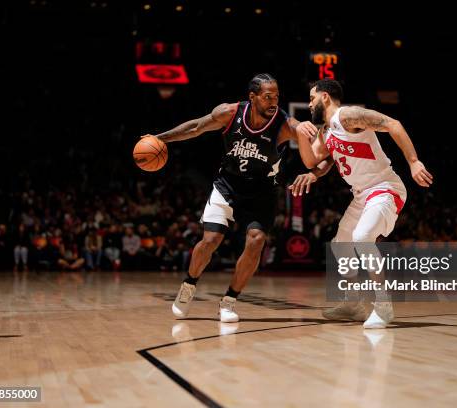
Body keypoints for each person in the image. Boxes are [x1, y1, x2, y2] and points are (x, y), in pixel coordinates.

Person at [142, 73, 299, 322]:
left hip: (262, 191)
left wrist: (317, 141)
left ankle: (229, 301)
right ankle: (189, 285)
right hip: (228, 185)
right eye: (268, 97)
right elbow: (195, 127)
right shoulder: (229, 113)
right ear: (253, 97)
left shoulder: (284, 123)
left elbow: (308, 136)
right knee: (211, 240)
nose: (273, 102)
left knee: (256, 241)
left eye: (277, 96)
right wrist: (159, 138)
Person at [293, 79, 433, 328]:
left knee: (362, 238)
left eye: (312, 97)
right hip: (361, 195)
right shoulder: (326, 131)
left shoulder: (349, 116)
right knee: (340, 246)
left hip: (384, 188)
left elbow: (392, 124)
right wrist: (301, 137)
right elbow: (312, 159)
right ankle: (353, 303)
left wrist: (413, 162)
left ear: (325, 97)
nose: (309, 102)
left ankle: (384, 304)